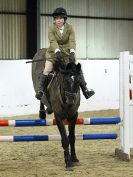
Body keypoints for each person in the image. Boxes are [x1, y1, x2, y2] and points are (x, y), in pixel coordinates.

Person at [35, 7, 95, 100]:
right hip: (53, 53)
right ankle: (41, 91)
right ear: (54, 19)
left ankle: (85, 90)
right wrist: (57, 51)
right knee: (47, 69)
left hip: (67, 54)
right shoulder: (51, 28)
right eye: (56, 18)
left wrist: (72, 52)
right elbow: (52, 41)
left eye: (60, 18)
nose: (58, 20)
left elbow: (72, 41)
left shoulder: (70, 28)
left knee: (77, 69)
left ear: (64, 19)